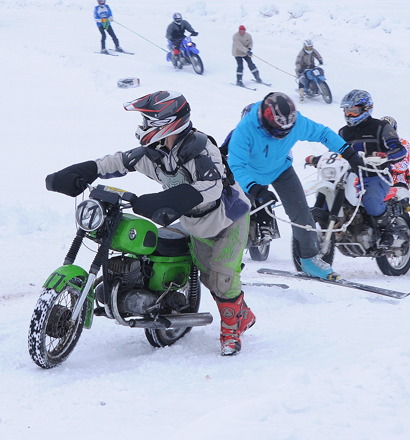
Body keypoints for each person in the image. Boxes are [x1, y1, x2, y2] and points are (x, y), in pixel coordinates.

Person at [45, 90, 254, 357]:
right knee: (208, 276)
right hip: (195, 222)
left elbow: (211, 187)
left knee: (223, 276)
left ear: (167, 123)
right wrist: (80, 171)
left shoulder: (201, 149)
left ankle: (231, 331)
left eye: (148, 121)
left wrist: (164, 199)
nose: (142, 127)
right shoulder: (155, 152)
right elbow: (119, 161)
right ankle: (242, 314)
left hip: (229, 217)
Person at [226, 92, 363, 280]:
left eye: (286, 132)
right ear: (265, 122)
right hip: (250, 174)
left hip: (281, 169)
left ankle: (309, 260)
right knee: (238, 218)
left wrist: (349, 153)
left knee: (301, 213)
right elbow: (236, 164)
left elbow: (323, 134)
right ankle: (228, 265)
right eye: (277, 132)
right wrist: (256, 189)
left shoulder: (296, 122)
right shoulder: (245, 129)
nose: (281, 136)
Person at [338, 91, 407, 246]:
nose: (349, 114)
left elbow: (400, 150)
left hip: (376, 175)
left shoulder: (381, 127)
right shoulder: (343, 132)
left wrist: (386, 156)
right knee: (331, 194)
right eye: (346, 111)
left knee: (370, 198)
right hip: (350, 177)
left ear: (366, 108)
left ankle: (387, 231)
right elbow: (336, 152)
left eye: (353, 111)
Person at [381, 115, 410, 189]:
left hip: (397, 182)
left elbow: (403, 164)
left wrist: (383, 163)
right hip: (378, 182)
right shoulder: (375, 144)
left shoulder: (403, 143)